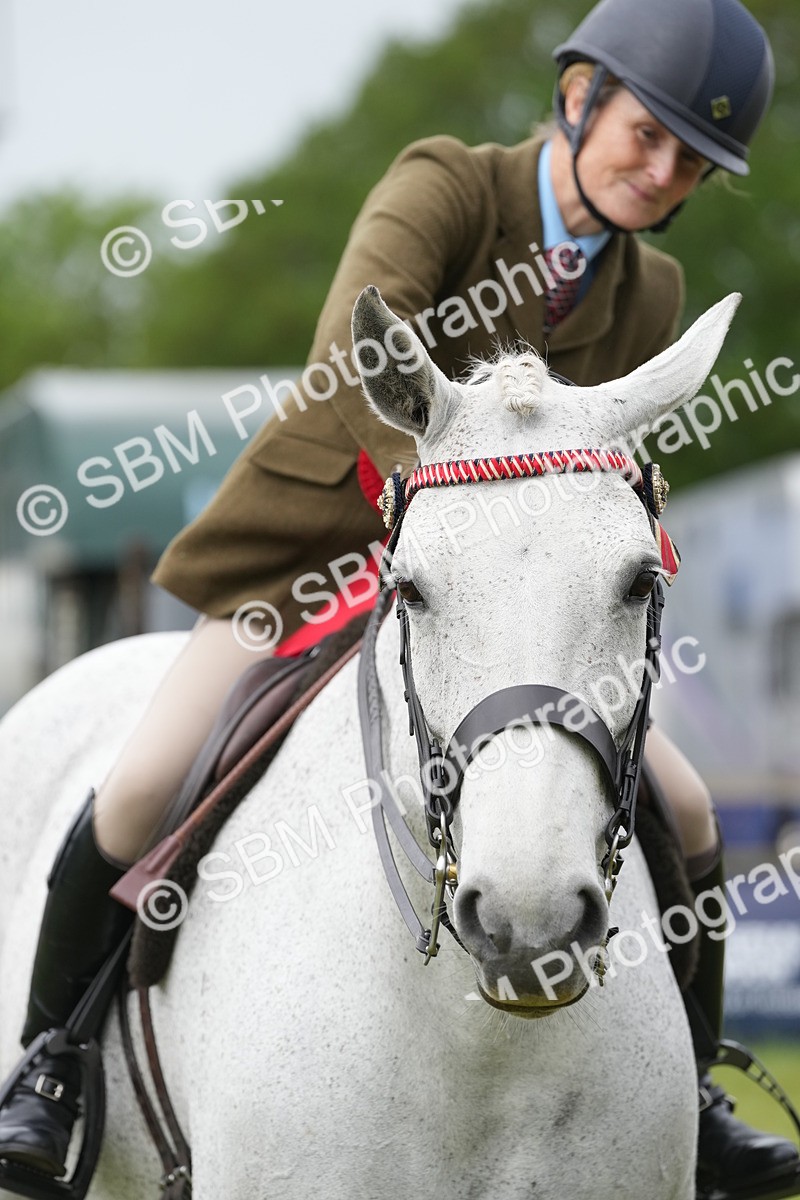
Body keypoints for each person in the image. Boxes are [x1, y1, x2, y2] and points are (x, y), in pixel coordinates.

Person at [0, 1, 796, 1198]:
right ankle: (50, 1072)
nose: (663, 170)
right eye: (647, 133)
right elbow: (352, 375)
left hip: (507, 615)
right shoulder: (444, 188)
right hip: (315, 554)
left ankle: (687, 1084)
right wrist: (458, 516)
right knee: (142, 780)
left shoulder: (653, 287)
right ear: (578, 94)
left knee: (680, 813)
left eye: (692, 159)